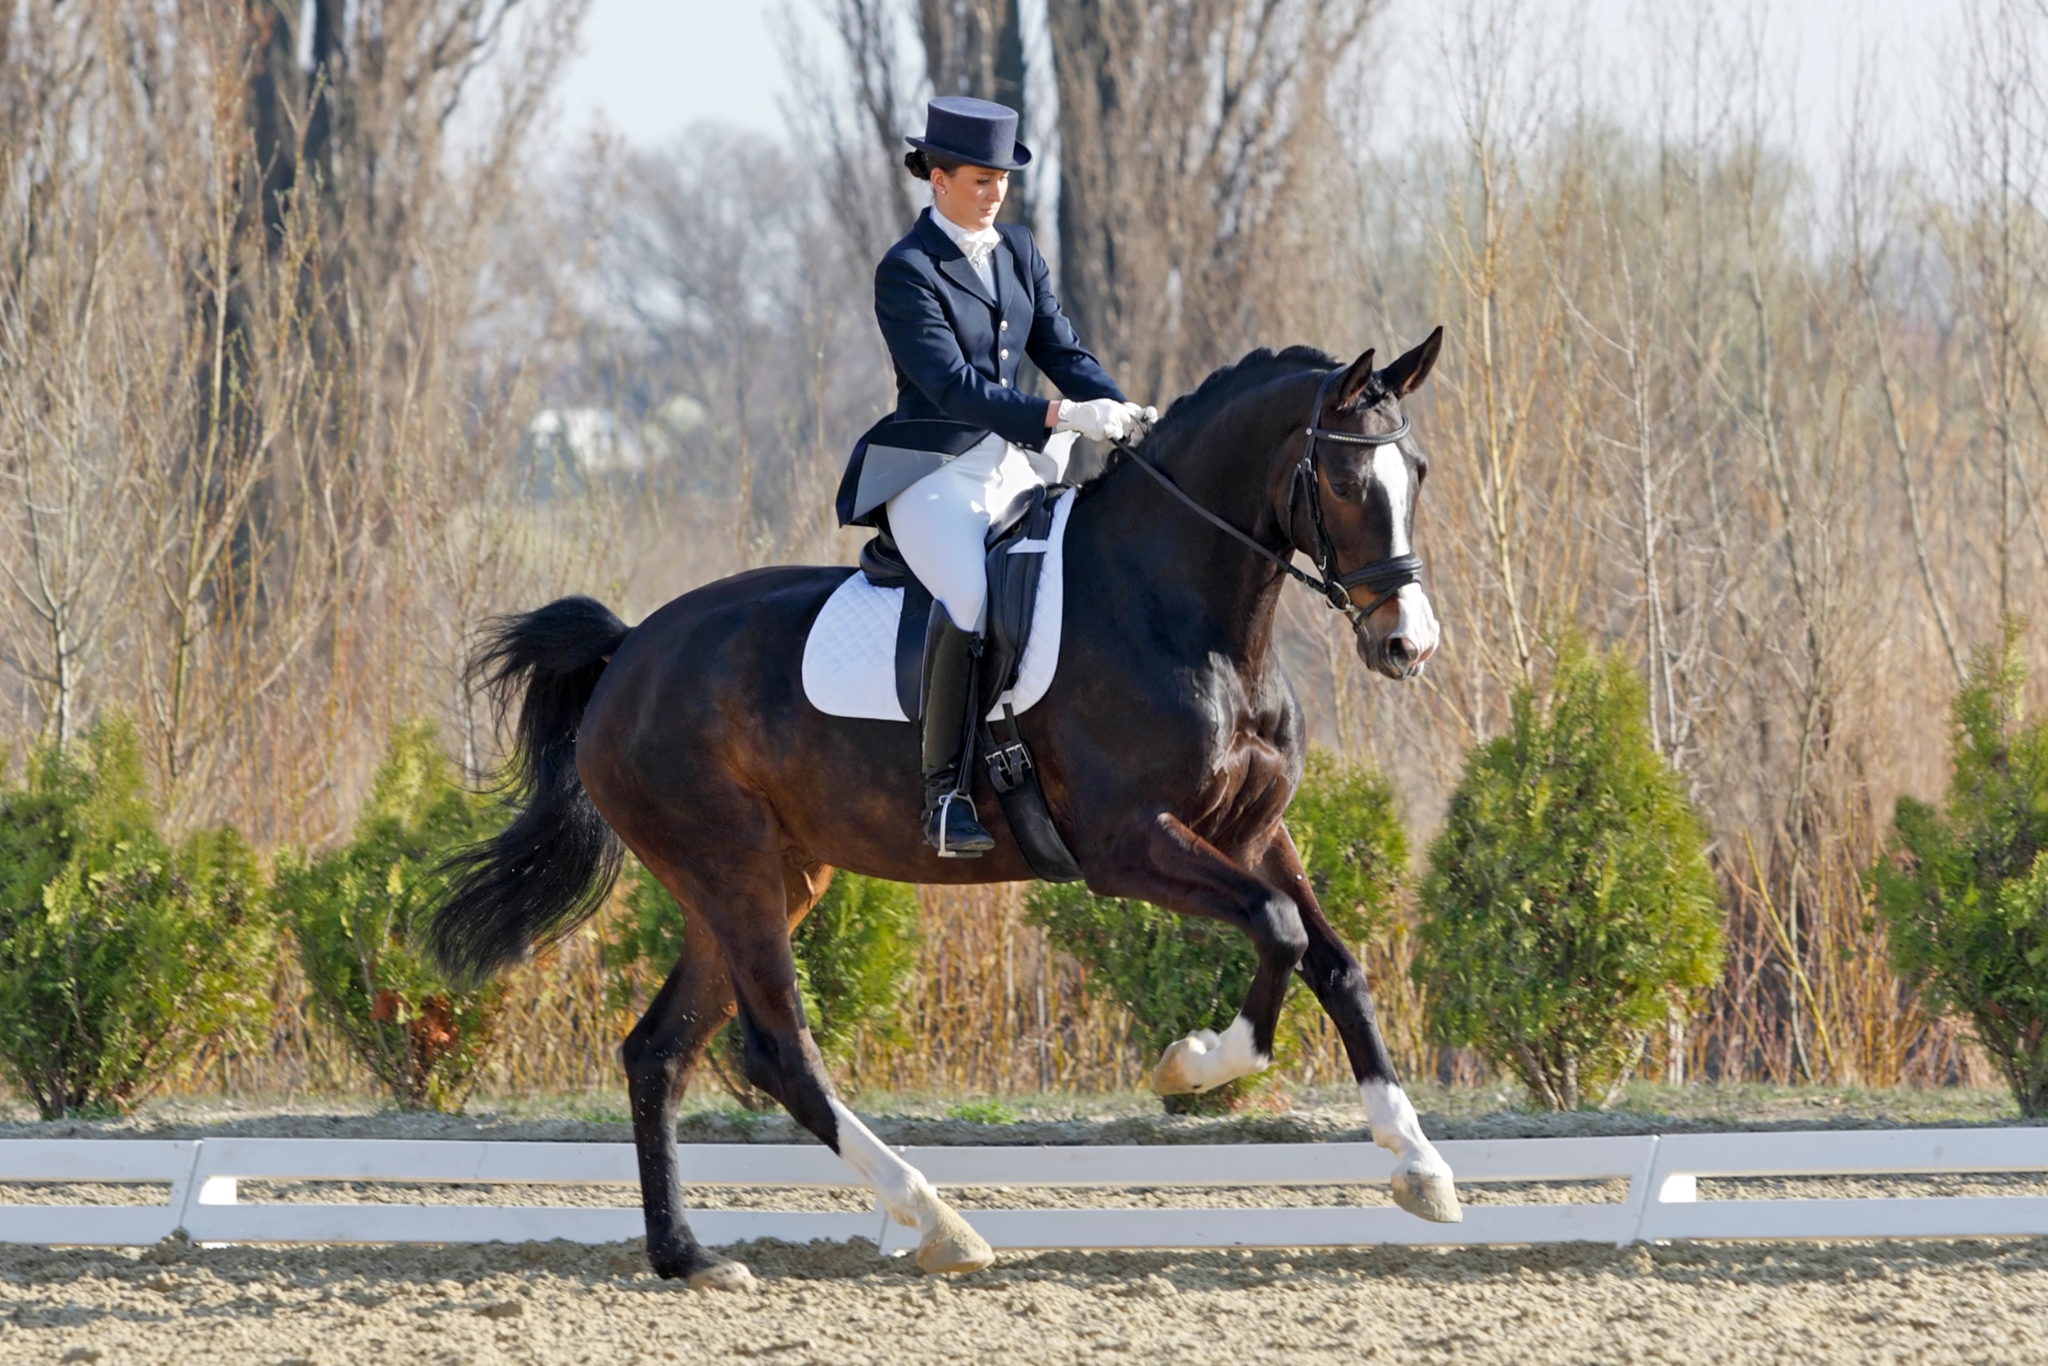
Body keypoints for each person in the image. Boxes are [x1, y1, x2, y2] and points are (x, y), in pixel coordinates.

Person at [835, 95, 1151, 858]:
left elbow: (1062, 351)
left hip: (1013, 465)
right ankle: (944, 797)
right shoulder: (907, 271)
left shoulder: (1018, 252)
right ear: (937, 179)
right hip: (932, 470)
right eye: (981, 179)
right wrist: (1058, 419)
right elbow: (954, 388)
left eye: (1003, 179)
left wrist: (1120, 410)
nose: (996, 192)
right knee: (970, 592)